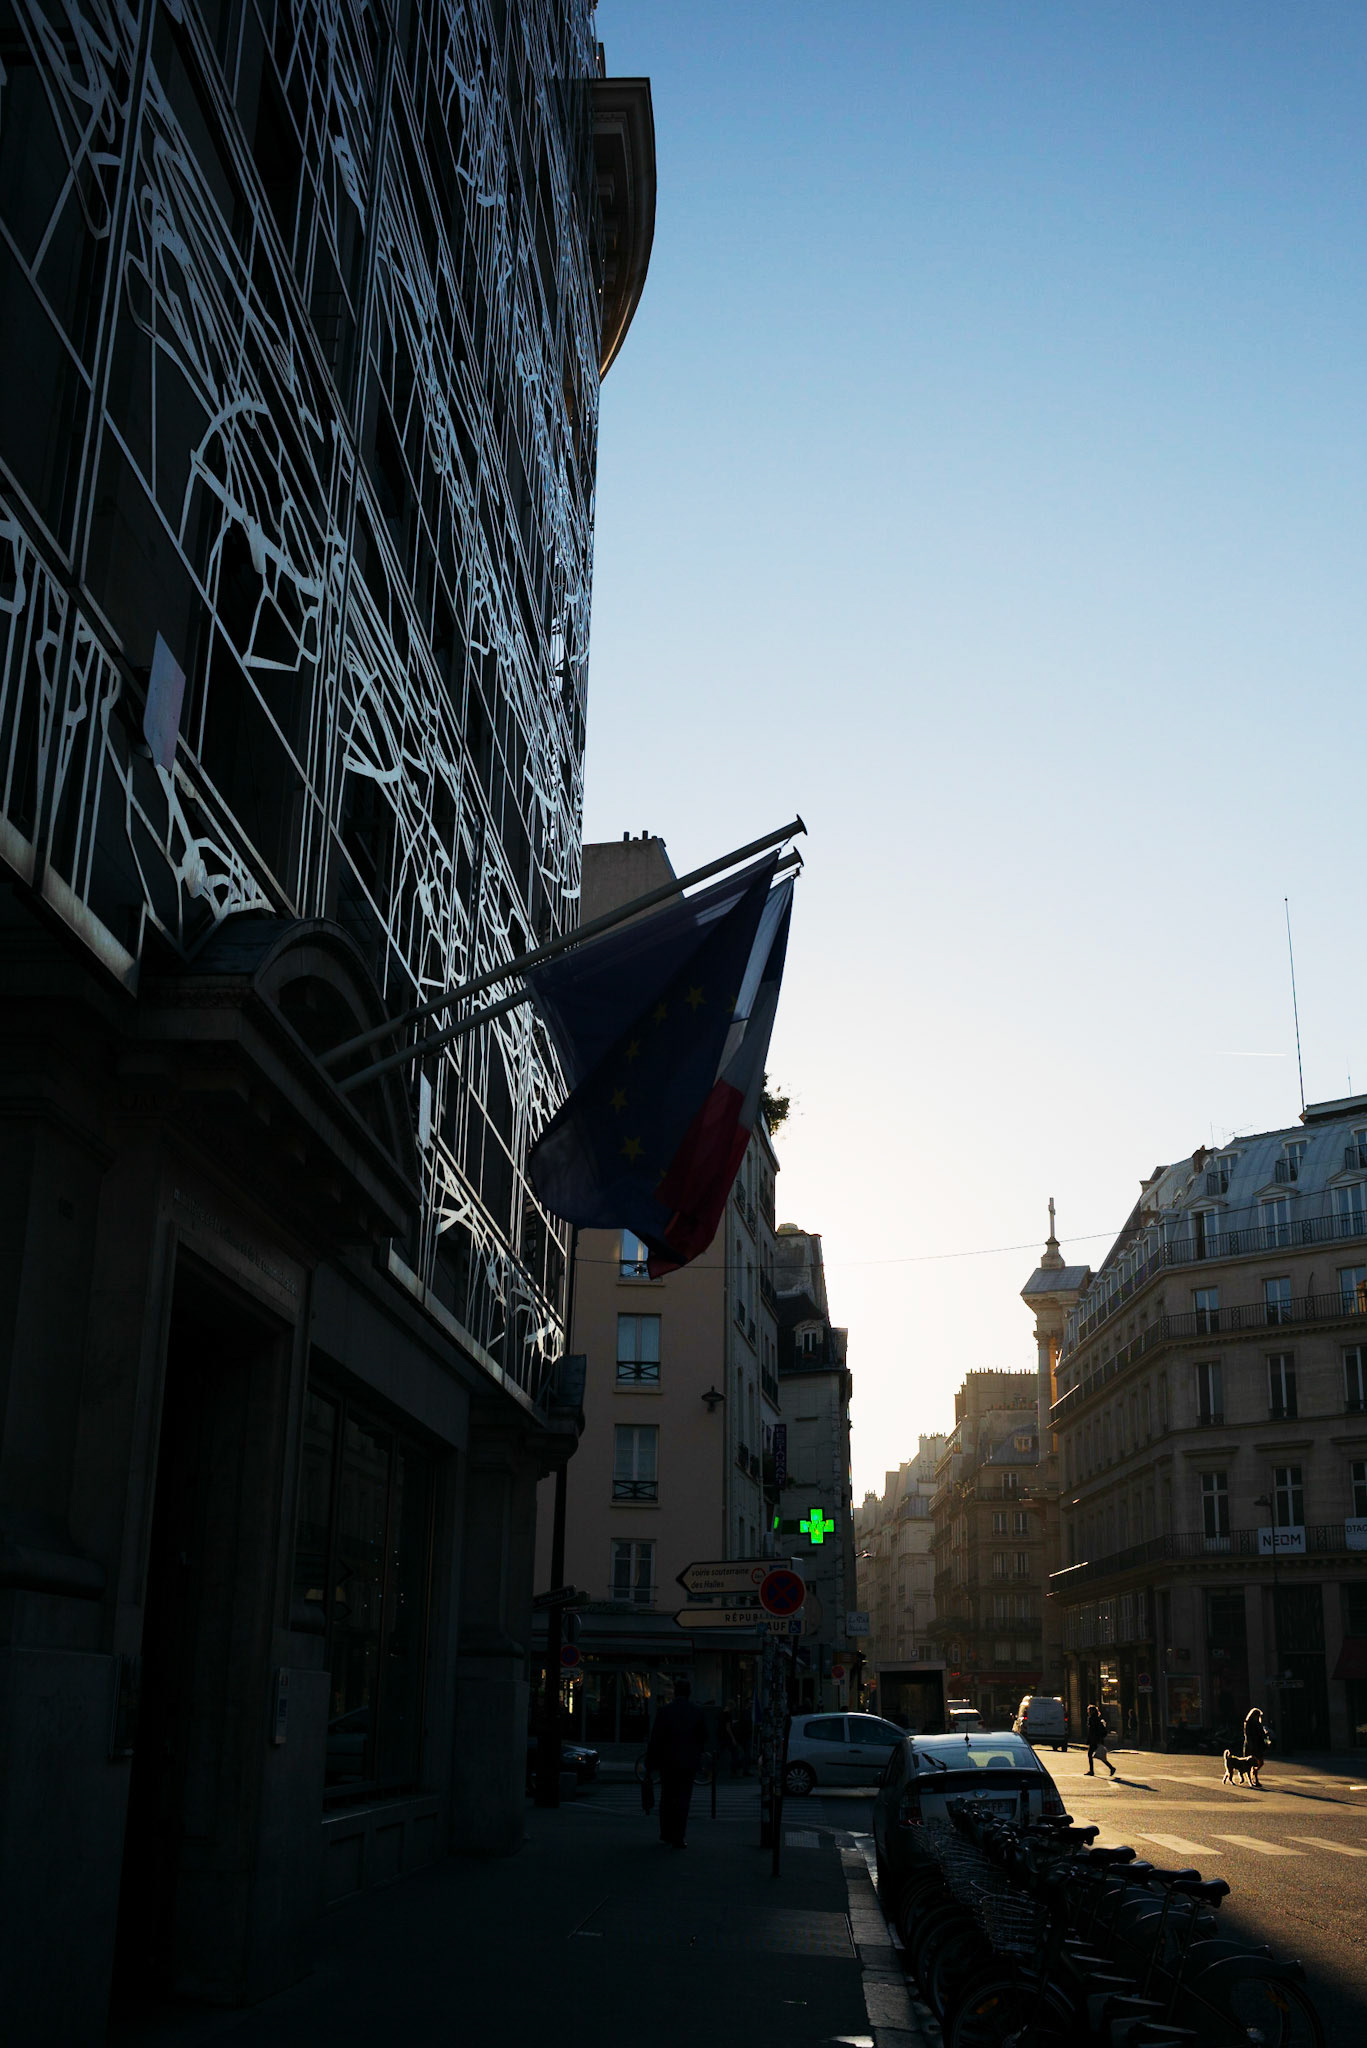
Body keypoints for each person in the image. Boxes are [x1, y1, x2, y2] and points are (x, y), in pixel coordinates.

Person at [644, 1677, 708, 1847]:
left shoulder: (664, 1711)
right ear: (689, 1693)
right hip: (688, 1763)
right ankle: (678, 1836)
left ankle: (665, 1832)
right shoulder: (697, 1712)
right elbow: (703, 1738)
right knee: (683, 1800)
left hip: (668, 1762)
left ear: (675, 1692)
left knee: (667, 1797)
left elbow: (655, 1739)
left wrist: (650, 1764)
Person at [1085, 1702, 1116, 1777]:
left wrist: (1090, 1740)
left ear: (1091, 1711)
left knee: (1090, 1755)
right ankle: (1111, 1768)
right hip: (1098, 1739)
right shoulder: (1097, 1718)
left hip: (1094, 1740)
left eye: (1089, 1710)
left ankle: (1092, 1771)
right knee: (1099, 1756)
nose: (1088, 1712)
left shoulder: (1092, 1719)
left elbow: (1092, 1731)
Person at [1243, 1705, 1271, 1784]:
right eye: (1258, 1715)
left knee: (1260, 1762)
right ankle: (1255, 1780)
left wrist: (1265, 1735)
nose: (1259, 1717)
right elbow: (1247, 1734)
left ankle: (1254, 1773)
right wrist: (1250, 1744)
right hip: (1251, 1744)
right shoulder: (1248, 1723)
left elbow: (1262, 1733)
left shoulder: (1258, 1723)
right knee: (1252, 1762)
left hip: (1258, 1744)